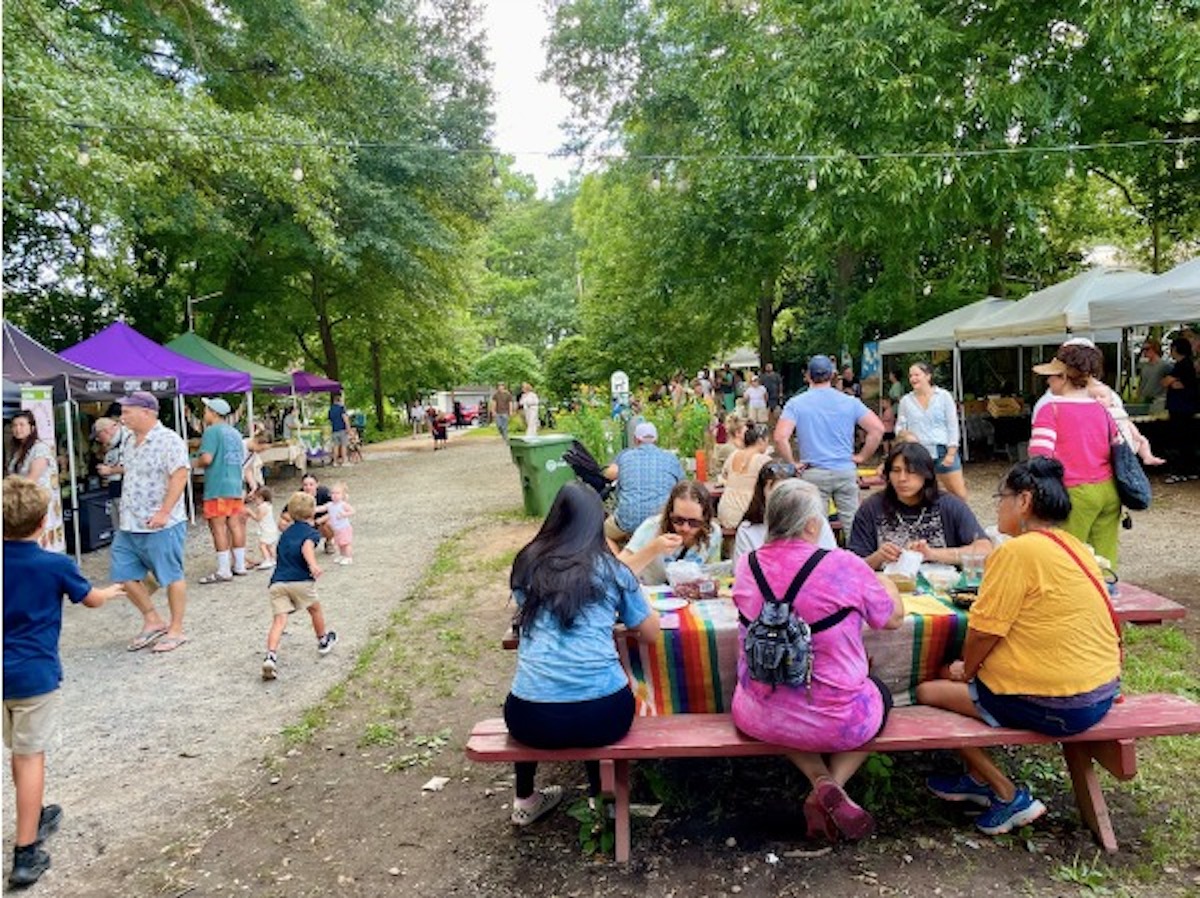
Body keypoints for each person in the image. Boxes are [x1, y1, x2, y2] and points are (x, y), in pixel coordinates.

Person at [916, 457, 1121, 836]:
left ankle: (1006, 793)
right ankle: (976, 777)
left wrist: (969, 670)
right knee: (951, 675)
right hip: (1100, 692)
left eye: (1002, 497)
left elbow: (983, 633)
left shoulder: (1015, 552)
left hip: (1053, 704)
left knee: (927, 687)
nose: (998, 506)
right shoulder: (1076, 547)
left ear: (1024, 501)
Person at [732, 479, 904, 842]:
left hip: (759, 713)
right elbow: (891, 620)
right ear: (812, 525)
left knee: (788, 706)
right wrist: (887, 585)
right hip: (837, 721)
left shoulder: (747, 565)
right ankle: (832, 787)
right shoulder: (843, 565)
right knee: (881, 695)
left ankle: (820, 781)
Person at [503, 482, 660, 825]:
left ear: (555, 518)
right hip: (603, 716)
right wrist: (637, 590)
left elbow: (529, 611)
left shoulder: (527, 564)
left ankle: (526, 800)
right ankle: (598, 798)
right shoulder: (613, 571)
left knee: (541, 681)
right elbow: (650, 634)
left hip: (528, 718)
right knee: (593, 683)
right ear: (596, 525)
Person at [3, 476, 125, 887]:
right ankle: (26, 851)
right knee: (31, 753)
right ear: (42, 523)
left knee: (18, 752)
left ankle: (32, 812)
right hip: (35, 676)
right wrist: (109, 593)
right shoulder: (55, 564)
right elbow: (89, 599)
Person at [111, 391, 191, 654]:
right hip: (130, 521)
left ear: (146, 412)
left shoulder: (169, 440)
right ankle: (153, 620)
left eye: (127, 411)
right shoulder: (129, 441)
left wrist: (164, 512)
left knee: (170, 575)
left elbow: (179, 476)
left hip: (162, 523)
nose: (122, 416)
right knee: (123, 574)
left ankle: (176, 629)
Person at [1029, 344, 1121, 571]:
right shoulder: (1102, 409)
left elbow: (1040, 458)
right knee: (1104, 562)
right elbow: (1118, 445)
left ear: (1064, 376)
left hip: (1074, 492)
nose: (1048, 382)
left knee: (1068, 558)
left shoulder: (1050, 410)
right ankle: (1106, 599)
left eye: (1051, 376)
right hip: (1109, 491)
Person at [773, 355, 885, 534]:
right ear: (833, 375)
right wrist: (862, 456)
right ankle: (857, 559)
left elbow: (780, 437)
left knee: (815, 528)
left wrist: (792, 463)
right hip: (845, 469)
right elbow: (877, 429)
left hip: (813, 471)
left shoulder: (796, 404)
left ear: (808, 375)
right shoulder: (850, 402)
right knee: (854, 526)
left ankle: (821, 560)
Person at [848, 443, 991, 570]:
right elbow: (851, 566)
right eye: (896, 471)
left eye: (911, 471)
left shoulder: (949, 505)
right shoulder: (871, 508)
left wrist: (933, 554)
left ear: (926, 474)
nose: (902, 478)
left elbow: (985, 549)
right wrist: (878, 557)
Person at [261, 491, 338, 680]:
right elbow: (306, 547)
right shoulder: (311, 533)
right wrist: (312, 564)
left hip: (278, 582)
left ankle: (270, 656)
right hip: (300, 580)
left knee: (279, 620)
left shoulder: (286, 533)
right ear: (312, 512)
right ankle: (322, 640)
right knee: (315, 609)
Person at [733, 462, 838, 563]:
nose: (782, 498)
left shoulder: (815, 521)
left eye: (787, 493)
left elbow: (831, 560)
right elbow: (742, 570)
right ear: (763, 492)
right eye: (776, 492)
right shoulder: (748, 529)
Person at [620, 481, 721, 585]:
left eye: (694, 522)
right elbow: (616, 572)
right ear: (670, 514)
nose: (685, 528)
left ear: (705, 519)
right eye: (678, 520)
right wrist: (653, 549)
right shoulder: (652, 527)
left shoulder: (713, 533)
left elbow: (711, 573)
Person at [194, 397, 250, 584]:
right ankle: (240, 565)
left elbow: (207, 459)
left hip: (218, 485)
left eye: (206, 410)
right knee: (235, 525)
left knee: (217, 527)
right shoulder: (235, 433)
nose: (204, 413)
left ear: (213, 412)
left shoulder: (211, 432)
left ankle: (224, 569)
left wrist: (194, 461)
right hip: (235, 484)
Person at [602, 421, 684, 544]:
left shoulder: (625, 457)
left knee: (601, 535)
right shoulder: (671, 458)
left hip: (628, 521)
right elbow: (682, 488)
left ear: (635, 440)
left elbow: (614, 482)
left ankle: (620, 559)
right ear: (656, 439)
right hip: (661, 522)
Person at [896, 362, 967, 500]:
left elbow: (952, 425)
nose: (913, 378)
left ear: (928, 376)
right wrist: (906, 434)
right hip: (918, 453)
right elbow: (899, 427)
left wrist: (951, 453)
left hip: (942, 451)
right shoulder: (906, 401)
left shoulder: (944, 396)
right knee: (921, 494)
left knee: (959, 494)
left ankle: (961, 519)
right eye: (911, 375)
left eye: (917, 375)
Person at [6, 411, 64, 552]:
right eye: (14, 426)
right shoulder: (18, 450)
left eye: (21, 425)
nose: (17, 429)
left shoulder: (40, 448)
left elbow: (32, 478)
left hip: (39, 502)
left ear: (32, 428)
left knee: (42, 543)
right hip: (24, 503)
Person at [1086, 378, 1164, 466]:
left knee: (1143, 441)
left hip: (1129, 438)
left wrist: (1136, 435)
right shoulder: (1097, 413)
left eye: (1102, 397)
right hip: (1116, 442)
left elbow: (1127, 423)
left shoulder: (1117, 410)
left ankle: (1148, 457)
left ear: (1111, 401)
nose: (1098, 399)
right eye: (1093, 397)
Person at [717, 423, 771, 528]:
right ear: (761, 441)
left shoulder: (733, 455)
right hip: (746, 511)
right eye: (767, 441)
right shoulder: (763, 460)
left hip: (725, 508)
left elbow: (724, 475)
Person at [1162, 336, 1199, 483]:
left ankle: (1179, 471)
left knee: (1179, 441)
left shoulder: (1182, 365)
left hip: (1180, 408)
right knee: (1187, 440)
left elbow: (1165, 382)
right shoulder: (1187, 365)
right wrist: (1174, 382)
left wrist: (1173, 382)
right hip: (1186, 408)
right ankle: (1190, 470)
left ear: (1176, 349)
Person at [93, 415, 135, 532]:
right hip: (115, 491)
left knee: (128, 530)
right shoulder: (112, 444)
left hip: (128, 493)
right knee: (119, 530)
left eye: (98, 436)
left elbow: (135, 466)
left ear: (106, 431)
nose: (98, 440)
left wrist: (110, 470)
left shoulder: (129, 439)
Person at [246, 486, 279, 569]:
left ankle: (267, 559)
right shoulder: (268, 505)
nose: (255, 502)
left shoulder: (262, 507)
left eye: (256, 499)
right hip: (271, 529)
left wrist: (250, 513)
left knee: (262, 545)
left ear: (261, 498)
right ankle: (273, 559)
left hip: (266, 530)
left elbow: (258, 518)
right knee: (270, 545)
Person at [1137, 339, 1171, 411]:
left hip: (1158, 400)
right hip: (1145, 400)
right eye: (1143, 349)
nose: (1144, 352)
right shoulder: (1144, 366)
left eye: (1147, 349)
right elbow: (1141, 382)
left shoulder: (1164, 365)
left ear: (1155, 349)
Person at [327, 481, 356, 565]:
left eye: (337, 493)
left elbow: (353, 511)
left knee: (346, 543)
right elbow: (322, 508)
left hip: (344, 528)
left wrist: (345, 514)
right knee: (340, 543)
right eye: (333, 493)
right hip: (336, 529)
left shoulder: (343, 504)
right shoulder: (330, 505)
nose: (335, 495)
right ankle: (342, 555)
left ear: (342, 495)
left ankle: (348, 557)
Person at [328, 393, 351, 466]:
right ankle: (344, 461)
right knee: (344, 445)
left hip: (334, 430)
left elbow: (330, 420)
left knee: (335, 446)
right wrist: (348, 428)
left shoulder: (331, 410)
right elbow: (345, 418)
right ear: (339, 400)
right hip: (342, 429)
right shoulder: (341, 408)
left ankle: (335, 462)